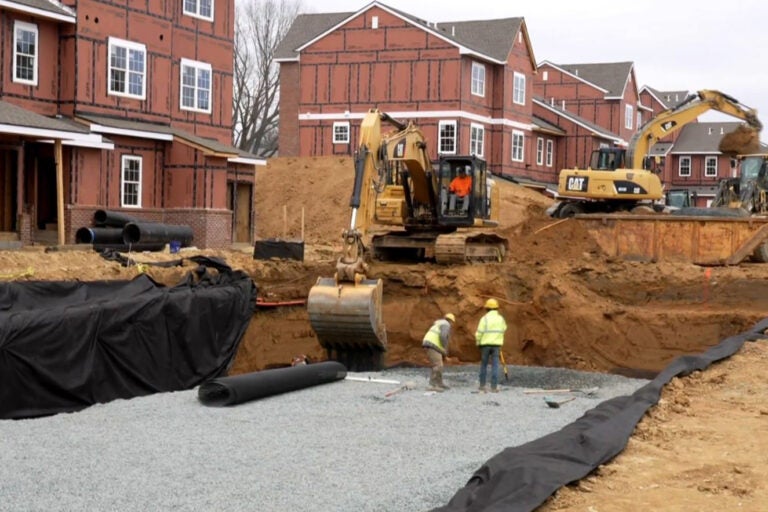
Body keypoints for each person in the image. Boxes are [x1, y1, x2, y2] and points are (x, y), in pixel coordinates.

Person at [475, 298, 507, 393]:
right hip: (496, 345)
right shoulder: (500, 319)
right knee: (495, 365)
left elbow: (479, 332)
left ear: (487, 308)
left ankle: (482, 386)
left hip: (485, 345)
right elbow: (504, 328)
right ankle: (494, 387)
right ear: (496, 308)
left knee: (484, 365)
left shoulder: (484, 319)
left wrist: (478, 342)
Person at [422, 313, 455, 391]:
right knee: (438, 365)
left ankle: (439, 383)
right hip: (432, 344)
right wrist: (444, 348)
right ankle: (432, 385)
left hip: (431, 344)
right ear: (451, 321)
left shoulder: (439, 324)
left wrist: (444, 353)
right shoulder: (446, 325)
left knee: (439, 364)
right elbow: (443, 336)